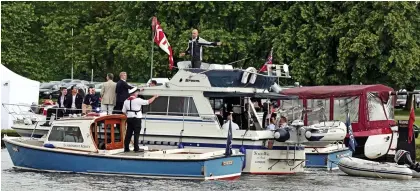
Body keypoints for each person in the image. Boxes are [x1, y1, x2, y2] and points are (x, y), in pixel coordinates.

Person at [122, 87, 158, 152]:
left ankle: (126, 148)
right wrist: (154, 97)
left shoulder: (126, 101)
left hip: (129, 119)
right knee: (136, 134)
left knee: (128, 134)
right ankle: (136, 148)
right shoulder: (138, 100)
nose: (137, 93)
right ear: (134, 93)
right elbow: (148, 102)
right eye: (137, 92)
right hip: (137, 119)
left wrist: (128, 115)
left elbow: (123, 111)